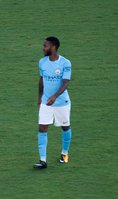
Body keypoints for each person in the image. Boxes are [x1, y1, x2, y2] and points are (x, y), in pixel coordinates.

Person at [33, 37, 73, 169]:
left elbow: (65, 82)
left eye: (45, 46)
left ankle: (64, 154)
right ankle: (43, 160)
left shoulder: (65, 63)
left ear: (53, 47)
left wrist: (55, 96)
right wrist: (40, 98)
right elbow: (41, 80)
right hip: (46, 103)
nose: (43, 48)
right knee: (42, 128)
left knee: (65, 127)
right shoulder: (42, 62)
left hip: (62, 103)